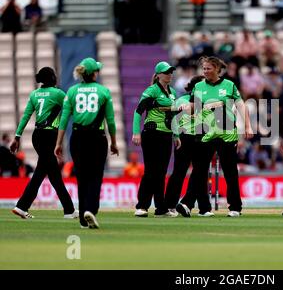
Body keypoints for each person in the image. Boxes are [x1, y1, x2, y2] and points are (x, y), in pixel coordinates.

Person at [176, 56, 253, 218]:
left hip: (227, 134)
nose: (205, 71)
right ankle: (187, 204)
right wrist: (185, 107)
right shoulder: (198, 86)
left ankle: (235, 207)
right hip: (205, 133)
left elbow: (240, 104)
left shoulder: (229, 85)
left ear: (217, 69)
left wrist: (247, 126)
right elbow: (194, 107)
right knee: (200, 171)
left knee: (230, 171)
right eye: (203, 69)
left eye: (208, 68)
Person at [54, 58, 119, 229]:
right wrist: (113, 142)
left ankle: (83, 218)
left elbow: (63, 120)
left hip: (78, 138)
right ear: (94, 73)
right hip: (97, 138)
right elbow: (110, 121)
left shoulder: (72, 91)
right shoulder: (104, 91)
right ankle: (91, 209)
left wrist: (59, 143)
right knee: (96, 175)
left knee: (81, 177)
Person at [9, 67, 77, 219]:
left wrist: (17, 137)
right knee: (45, 174)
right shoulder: (58, 93)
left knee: (51, 174)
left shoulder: (34, 94)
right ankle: (22, 206)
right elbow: (70, 110)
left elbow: (26, 116)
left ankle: (68, 210)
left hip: (37, 136)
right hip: (50, 135)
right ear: (52, 78)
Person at [132, 61, 181, 218]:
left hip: (166, 135)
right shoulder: (151, 90)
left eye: (171, 72)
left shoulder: (172, 92)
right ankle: (142, 206)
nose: (169, 75)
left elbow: (174, 115)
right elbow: (138, 112)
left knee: (161, 172)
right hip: (152, 134)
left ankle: (161, 208)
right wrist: (136, 133)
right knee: (151, 171)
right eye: (166, 72)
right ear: (158, 74)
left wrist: (176, 134)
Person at [164, 75, 205, 213]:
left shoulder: (206, 102)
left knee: (199, 173)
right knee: (179, 172)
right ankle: (170, 205)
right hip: (184, 138)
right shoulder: (181, 100)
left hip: (201, 138)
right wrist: (175, 135)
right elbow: (171, 119)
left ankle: (190, 204)